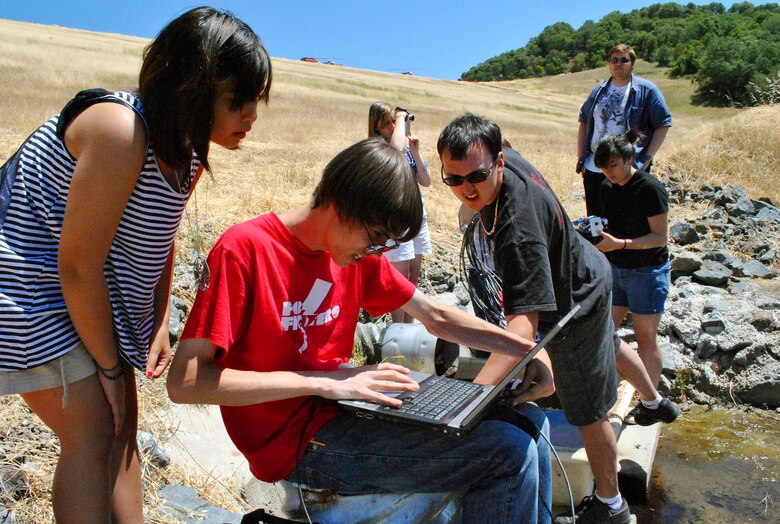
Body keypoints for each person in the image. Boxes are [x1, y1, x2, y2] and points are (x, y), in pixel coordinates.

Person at [167, 138, 553, 524]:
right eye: (376, 238)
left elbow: (436, 316)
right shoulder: (245, 249)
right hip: (296, 444)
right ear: (342, 205)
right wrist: (325, 381)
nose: (378, 253)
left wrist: (523, 348)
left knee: (532, 424)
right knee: (506, 451)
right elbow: (185, 383)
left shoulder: (353, 257)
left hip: (346, 409)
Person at [0, 7, 271, 522]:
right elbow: (77, 266)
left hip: (75, 290)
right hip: (23, 287)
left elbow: (160, 237)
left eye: (257, 100)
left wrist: (161, 316)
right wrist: (106, 365)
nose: (252, 116)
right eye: (239, 100)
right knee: (94, 430)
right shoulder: (121, 129)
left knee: (124, 423)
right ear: (192, 87)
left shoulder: (187, 152)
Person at [438, 114, 678, 524]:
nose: (467, 189)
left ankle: (611, 505)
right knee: (607, 346)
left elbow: (522, 329)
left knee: (587, 407)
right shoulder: (507, 157)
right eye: (453, 180)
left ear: (498, 161)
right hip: (587, 270)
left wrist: (467, 403)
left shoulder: (518, 232)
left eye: (475, 176)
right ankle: (657, 402)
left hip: (575, 301)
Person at [594, 131, 673, 418]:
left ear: (630, 159)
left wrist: (621, 244)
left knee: (645, 337)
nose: (609, 173)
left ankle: (649, 401)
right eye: (604, 167)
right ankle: (605, 393)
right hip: (616, 268)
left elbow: (660, 238)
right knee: (604, 332)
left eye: (613, 166)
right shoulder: (607, 186)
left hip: (648, 270)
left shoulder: (650, 188)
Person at [577, 44, 672, 216]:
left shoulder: (646, 90)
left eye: (624, 60)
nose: (618, 64)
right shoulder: (599, 90)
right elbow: (584, 120)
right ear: (609, 63)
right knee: (595, 220)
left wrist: (645, 160)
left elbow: (663, 123)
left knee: (626, 219)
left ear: (632, 64)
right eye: (614, 60)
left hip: (626, 167)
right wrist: (581, 158)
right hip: (595, 167)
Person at [368, 101, 432, 323]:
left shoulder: (407, 149)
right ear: (377, 125)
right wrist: (402, 119)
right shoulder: (380, 148)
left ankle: (409, 328)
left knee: (413, 277)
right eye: (390, 123)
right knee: (400, 278)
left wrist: (416, 151)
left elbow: (426, 181)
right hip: (398, 219)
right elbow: (396, 149)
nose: (396, 127)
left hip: (417, 215)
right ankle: (398, 329)